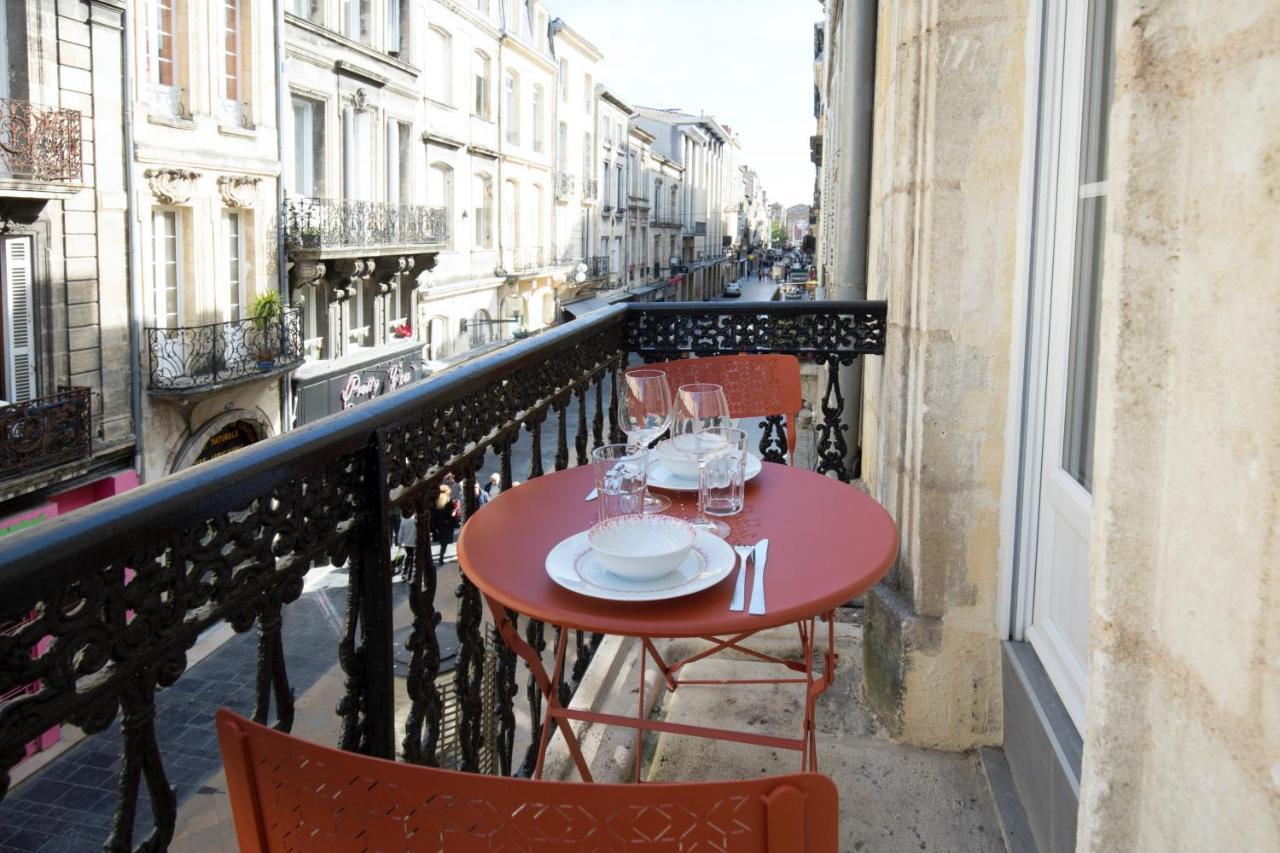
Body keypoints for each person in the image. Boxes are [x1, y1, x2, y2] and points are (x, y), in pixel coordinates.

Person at [429, 483, 459, 567]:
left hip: (438, 526)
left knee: (440, 543)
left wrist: (434, 527)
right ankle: (440, 558)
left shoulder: (436, 501)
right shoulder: (449, 503)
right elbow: (451, 515)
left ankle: (438, 558)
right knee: (444, 544)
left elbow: (433, 515)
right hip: (447, 526)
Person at [395, 506, 417, 582]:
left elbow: (400, 532)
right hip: (414, 543)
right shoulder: (415, 520)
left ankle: (405, 573)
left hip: (406, 543)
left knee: (409, 557)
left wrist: (399, 542)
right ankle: (410, 575)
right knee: (413, 559)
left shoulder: (403, 520)